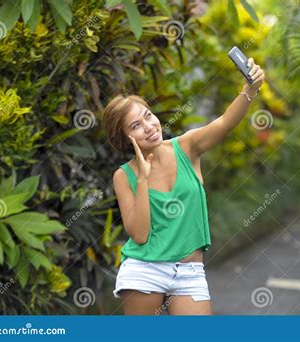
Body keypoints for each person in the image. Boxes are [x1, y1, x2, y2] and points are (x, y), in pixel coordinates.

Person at [103, 57, 265, 315]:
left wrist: (251, 89)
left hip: (189, 272)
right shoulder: (124, 176)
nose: (149, 127)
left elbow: (224, 123)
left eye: (148, 116)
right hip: (145, 269)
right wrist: (143, 179)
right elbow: (140, 235)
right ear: (124, 138)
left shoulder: (187, 147)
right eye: (135, 126)